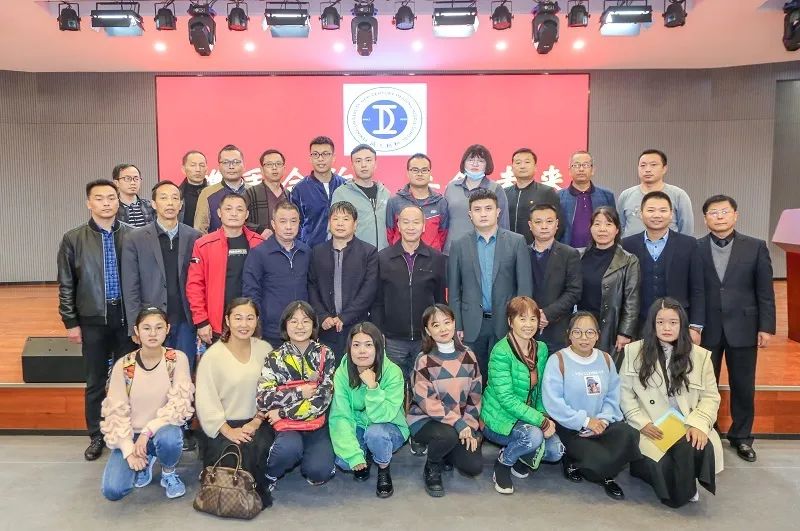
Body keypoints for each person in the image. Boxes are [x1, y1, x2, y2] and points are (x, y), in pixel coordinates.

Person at [57, 179, 136, 461]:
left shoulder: (133, 235)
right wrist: (70, 322)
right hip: (92, 319)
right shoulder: (73, 239)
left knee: (129, 378)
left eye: (111, 198)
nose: (106, 203)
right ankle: (96, 435)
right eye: (99, 198)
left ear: (118, 201)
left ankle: (128, 429)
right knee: (95, 381)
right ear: (89, 203)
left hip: (126, 318)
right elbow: (67, 284)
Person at [121, 181, 202, 450]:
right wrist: (135, 325)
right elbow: (130, 285)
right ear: (154, 204)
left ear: (181, 204)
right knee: (154, 377)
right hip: (152, 323)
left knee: (183, 375)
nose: (170, 203)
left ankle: (180, 427)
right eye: (163, 198)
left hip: (185, 320)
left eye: (175, 198)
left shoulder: (194, 237)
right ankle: (150, 428)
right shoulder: (136, 238)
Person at [620, 298, 723, 508]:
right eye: (660, 322)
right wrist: (642, 423)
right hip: (652, 426)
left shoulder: (700, 356)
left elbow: (711, 397)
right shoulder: (633, 351)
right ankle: (678, 482)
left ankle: (684, 488)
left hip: (686, 423)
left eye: (673, 322)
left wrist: (698, 424)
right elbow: (624, 394)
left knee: (692, 444)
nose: (666, 328)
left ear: (682, 324)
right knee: (661, 467)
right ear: (652, 324)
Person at [697, 194, 775, 462]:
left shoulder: (755, 247)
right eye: (713, 212)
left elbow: (765, 291)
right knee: (705, 384)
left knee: (743, 385)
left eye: (724, 212)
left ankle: (742, 437)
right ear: (705, 219)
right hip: (707, 328)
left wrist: (766, 327)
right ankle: (708, 431)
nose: (719, 217)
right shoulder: (695, 247)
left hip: (744, 326)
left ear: (735, 215)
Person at [542, 312, 641, 500]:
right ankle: (582, 465)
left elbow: (613, 396)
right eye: (577, 332)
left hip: (602, 425)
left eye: (589, 332)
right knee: (598, 461)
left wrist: (602, 421)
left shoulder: (605, 359)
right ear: (569, 334)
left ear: (597, 335)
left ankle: (602, 468)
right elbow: (553, 402)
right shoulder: (558, 360)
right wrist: (586, 422)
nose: (584, 338)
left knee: (630, 434)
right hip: (572, 428)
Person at [100, 307, 194, 501]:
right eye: (146, 328)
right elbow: (115, 415)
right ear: (136, 330)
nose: (153, 333)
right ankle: (145, 459)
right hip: (131, 435)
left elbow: (178, 407)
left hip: (161, 430)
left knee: (170, 438)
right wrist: (129, 451)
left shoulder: (177, 359)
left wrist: (147, 432)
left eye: (159, 327)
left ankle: (168, 471)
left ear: (167, 329)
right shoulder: (124, 365)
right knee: (113, 490)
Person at [195, 297, 275, 509]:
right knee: (232, 459)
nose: (244, 324)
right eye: (238, 318)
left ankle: (256, 493)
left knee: (259, 449)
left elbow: (273, 390)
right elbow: (205, 400)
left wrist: (256, 421)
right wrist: (228, 430)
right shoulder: (213, 356)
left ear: (257, 320)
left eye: (250, 318)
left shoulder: (265, 349)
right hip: (222, 425)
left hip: (258, 421)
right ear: (227, 320)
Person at [481, 297, 564, 495]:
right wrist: (541, 423)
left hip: (528, 417)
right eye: (522, 318)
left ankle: (519, 458)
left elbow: (541, 389)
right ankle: (503, 464)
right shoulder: (501, 351)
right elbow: (506, 399)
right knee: (533, 436)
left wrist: (542, 415)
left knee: (556, 451)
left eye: (533, 319)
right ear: (510, 321)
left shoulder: (541, 349)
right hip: (500, 418)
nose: (528, 324)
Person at [448, 188, 532, 381]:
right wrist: (457, 324)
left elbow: (524, 290)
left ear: (498, 212)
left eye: (488, 208)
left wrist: (521, 322)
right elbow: (454, 291)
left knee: (504, 379)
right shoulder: (459, 245)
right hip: (471, 325)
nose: (483, 214)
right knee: (473, 379)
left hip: (506, 323)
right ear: (470, 214)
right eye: (477, 209)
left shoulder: (516, 242)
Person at [257, 301, 336, 490]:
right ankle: (270, 475)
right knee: (288, 449)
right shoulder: (274, 357)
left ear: (314, 325)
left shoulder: (325, 354)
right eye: (293, 321)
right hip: (287, 428)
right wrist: (299, 392)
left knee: (319, 471)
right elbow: (264, 399)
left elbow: (322, 400)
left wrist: (282, 412)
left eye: (306, 321)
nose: (300, 326)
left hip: (315, 424)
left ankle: (310, 460)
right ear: (285, 326)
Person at [408, 304, 483, 497]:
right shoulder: (423, 360)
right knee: (447, 436)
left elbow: (475, 396)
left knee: (473, 466)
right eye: (435, 325)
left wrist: (469, 425)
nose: (443, 329)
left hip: (459, 423)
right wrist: (458, 423)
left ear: (454, 323)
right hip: (426, 420)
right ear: (428, 331)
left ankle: (446, 452)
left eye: (447, 322)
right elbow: (427, 402)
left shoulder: (469, 355)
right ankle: (432, 466)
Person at [329, 323, 409, 498]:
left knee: (375, 434)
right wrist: (353, 455)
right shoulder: (342, 373)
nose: (362, 351)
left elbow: (384, 415)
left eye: (368, 345)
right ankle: (364, 456)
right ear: (349, 348)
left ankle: (383, 467)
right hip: (359, 425)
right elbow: (340, 416)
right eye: (356, 345)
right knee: (344, 461)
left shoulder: (393, 372)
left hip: (389, 426)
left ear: (378, 347)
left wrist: (373, 387)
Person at [374, 205, 448, 381]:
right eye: (405, 222)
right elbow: (377, 301)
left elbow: (440, 300)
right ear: (398, 226)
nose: (410, 227)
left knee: (425, 386)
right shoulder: (382, 258)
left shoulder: (437, 258)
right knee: (393, 386)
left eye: (416, 222)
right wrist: (379, 331)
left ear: (423, 226)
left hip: (425, 338)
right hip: (392, 339)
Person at [622, 191, 705, 340]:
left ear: (671, 214)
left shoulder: (689, 244)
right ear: (641, 214)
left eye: (662, 210)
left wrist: (695, 327)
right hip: (639, 324)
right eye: (651, 210)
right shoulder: (627, 244)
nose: (656, 215)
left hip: (678, 323)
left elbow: (697, 288)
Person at [186, 194, 265, 345]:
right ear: (219, 213)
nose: (234, 213)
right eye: (228, 209)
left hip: (251, 324)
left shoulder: (259, 243)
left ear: (246, 214)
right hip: (216, 325)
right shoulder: (203, 245)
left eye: (239, 209)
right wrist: (201, 321)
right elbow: (195, 286)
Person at [308, 201, 378, 361]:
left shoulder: (368, 252)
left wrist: (345, 317)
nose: (340, 223)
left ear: (355, 224)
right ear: (329, 223)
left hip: (357, 328)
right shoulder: (317, 252)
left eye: (346, 219)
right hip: (327, 328)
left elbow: (369, 290)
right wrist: (322, 316)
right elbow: (312, 286)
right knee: (327, 371)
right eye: (335, 219)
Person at [243, 201, 312, 347]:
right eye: (283, 221)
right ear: (273, 224)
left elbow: (312, 288)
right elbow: (251, 293)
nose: (288, 226)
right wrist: (257, 326)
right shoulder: (259, 253)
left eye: (293, 221)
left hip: (302, 330)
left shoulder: (306, 252)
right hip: (271, 331)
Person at [577, 207, 640, 362]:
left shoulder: (628, 260)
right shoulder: (577, 256)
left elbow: (632, 300)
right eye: (597, 224)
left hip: (611, 328)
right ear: (590, 228)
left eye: (608, 224)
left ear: (617, 229)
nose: (602, 229)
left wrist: (625, 332)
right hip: (581, 327)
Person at [528, 203, 582, 354]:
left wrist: (546, 314)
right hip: (526, 329)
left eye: (549, 221)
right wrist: (532, 316)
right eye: (538, 222)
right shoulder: (522, 252)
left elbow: (574, 291)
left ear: (557, 224)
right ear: (530, 225)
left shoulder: (569, 254)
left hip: (558, 329)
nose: (544, 226)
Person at [443, 144, 509, 254]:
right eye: (470, 160)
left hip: (484, 251)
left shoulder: (496, 189)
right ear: (464, 163)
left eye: (481, 161)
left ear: (487, 165)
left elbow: (503, 225)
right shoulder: (451, 187)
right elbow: (443, 223)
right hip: (451, 250)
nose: (475, 164)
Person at [618, 149, 694, 238]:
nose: (647, 170)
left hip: (670, 246)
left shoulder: (679, 195)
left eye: (653, 165)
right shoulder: (626, 195)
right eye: (643, 165)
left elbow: (687, 229)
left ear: (664, 169)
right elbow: (619, 227)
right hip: (631, 246)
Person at [331, 144, 390, 250]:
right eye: (358, 161)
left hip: (383, 256)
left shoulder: (385, 193)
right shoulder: (341, 193)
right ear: (352, 165)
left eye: (368, 160)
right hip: (354, 255)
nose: (363, 165)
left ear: (375, 163)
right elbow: (333, 229)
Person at [386, 153, 449, 251]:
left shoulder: (441, 202)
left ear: (430, 173)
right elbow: (390, 234)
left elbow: (443, 235)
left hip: (431, 258)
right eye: (415, 170)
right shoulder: (394, 202)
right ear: (408, 173)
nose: (420, 174)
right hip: (401, 257)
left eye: (424, 170)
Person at [291, 136, 347, 247]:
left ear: (333, 157)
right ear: (310, 158)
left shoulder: (345, 186)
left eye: (325, 154)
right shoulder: (300, 189)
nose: (320, 159)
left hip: (343, 250)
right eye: (315, 154)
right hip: (311, 251)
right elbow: (295, 224)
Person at [557, 150, 616, 249]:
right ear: (569, 170)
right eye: (576, 165)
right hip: (567, 253)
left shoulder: (606, 196)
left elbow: (614, 225)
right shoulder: (558, 197)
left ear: (593, 170)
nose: (581, 169)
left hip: (599, 252)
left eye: (585, 165)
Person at [504, 148, 562, 245]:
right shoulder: (504, 193)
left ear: (535, 167)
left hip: (537, 249)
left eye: (527, 162)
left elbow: (559, 225)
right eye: (518, 163)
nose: (522, 166)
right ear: (512, 168)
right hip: (508, 248)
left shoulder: (547, 192)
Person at [194, 144, 249, 234]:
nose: (231, 166)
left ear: (243, 165)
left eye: (236, 162)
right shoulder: (207, 193)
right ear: (219, 166)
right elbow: (200, 229)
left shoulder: (254, 191)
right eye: (226, 162)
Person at [244, 148, 289, 239]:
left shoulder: (289, 195)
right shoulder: (251, 193)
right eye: (269, 164)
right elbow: (238, 220)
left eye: (278, 164)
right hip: (259, 244)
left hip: (285, 244)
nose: (274, 168)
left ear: (284, 168)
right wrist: (259, 230)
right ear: (261, 169)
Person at [113, 163, 154, 228]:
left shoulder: (150, 206)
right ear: (116, 183)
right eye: (127, 178)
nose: (133, 183)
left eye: (136, 179)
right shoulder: (111, 208)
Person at [178, 150, 208, 227]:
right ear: (183, 169)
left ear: (206, 169)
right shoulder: (177, 195)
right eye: (193, 165)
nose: (198, 169)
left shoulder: (214, 194)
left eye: (202, 165)